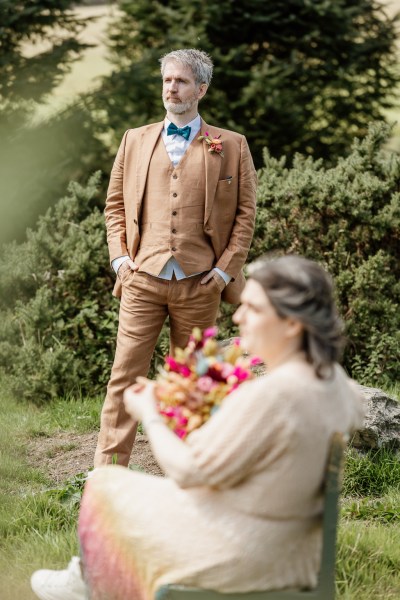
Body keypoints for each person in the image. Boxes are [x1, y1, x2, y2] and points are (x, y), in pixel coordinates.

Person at [31, 254, 364, 600]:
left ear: (293, 323)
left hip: (245, 553)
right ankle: (85, 581)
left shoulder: (275, 395)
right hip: (293, 549)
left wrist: (151, 414)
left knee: (103, 483)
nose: (238, 316)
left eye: (253, 308)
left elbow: (188, 470)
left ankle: (86, 586)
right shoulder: (339, 385)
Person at [94, 48, 257, 468]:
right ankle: (107, 476)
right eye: (167, 80)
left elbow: (245, 215)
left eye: (181, 81)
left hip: (200, 284)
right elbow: (114, 206)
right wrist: (120, 261)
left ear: (200, 89)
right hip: (141, 280)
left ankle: (193, 473)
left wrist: (224, 272)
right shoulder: (134, 139)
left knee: (195, 385)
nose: (172, 87)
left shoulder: (232, 146)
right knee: (124, 378)